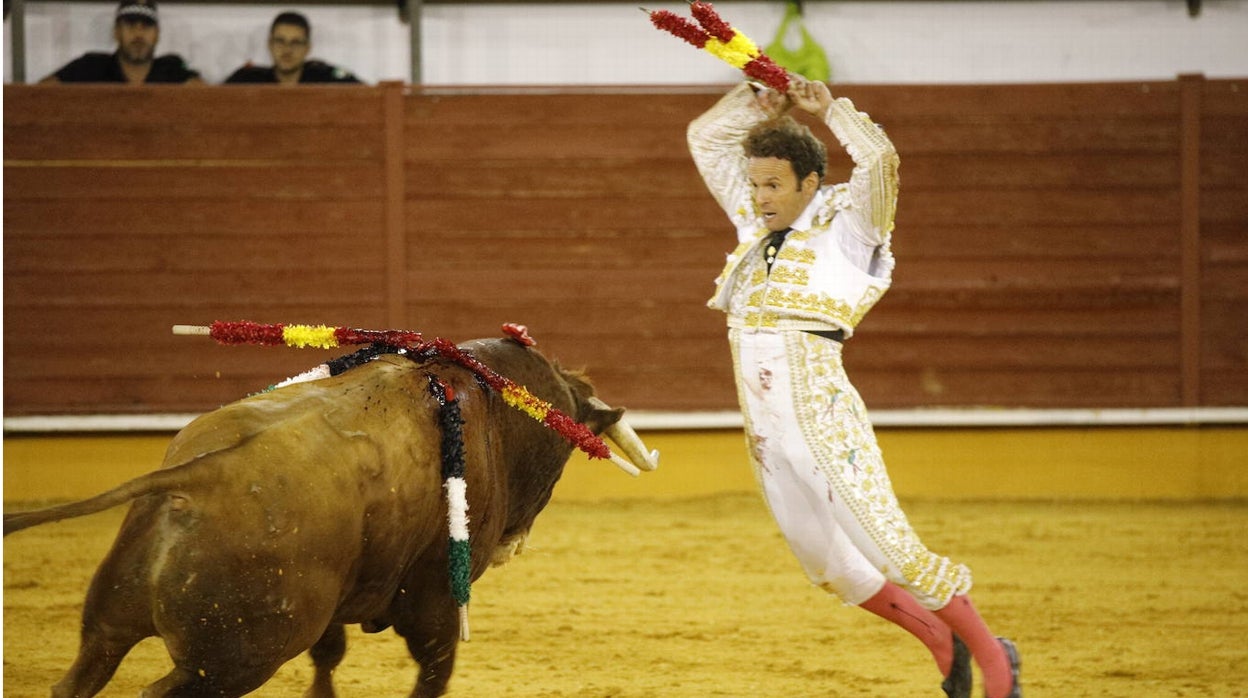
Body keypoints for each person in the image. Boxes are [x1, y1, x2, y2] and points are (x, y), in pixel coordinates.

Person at [687, 76, 1022, 698]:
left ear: (809, 184)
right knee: (827, 566)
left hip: (822, 419)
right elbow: (706, 141)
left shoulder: (850, 228)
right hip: (765, 430)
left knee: (894, 551)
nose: (758, 197)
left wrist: (830, 110)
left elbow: (881, 160)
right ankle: (939, 641)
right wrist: (756, 102)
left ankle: (995, 661)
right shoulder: (755, 226)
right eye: (755, 183)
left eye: (772, 186)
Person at [39, 0, 202, 84]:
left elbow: (211, 99)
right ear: (116, 32)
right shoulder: (90, 67)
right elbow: (35, 96)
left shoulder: (171, 71)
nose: (138, 34)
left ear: (157, 34)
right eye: (130, 25)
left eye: (146, 26)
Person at [224, 12, 362, 85]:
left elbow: (369, 95)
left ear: (307, 48)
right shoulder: (248, 79)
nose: (287, 49)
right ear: (269, 44)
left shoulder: (325, 78)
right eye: (280, 41)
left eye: (296, 43)